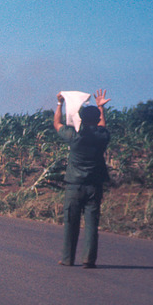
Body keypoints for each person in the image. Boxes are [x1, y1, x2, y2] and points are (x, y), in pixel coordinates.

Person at [53, 89, 111, 268]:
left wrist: (60, 103)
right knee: (92, 224)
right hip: (94, 186)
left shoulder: (74, 136)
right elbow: (102, 126)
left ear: (81, 118)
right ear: (96, 119)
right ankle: (88, 259)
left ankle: (68, 258)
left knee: (71, 223)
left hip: (74, 186)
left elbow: (57, 123)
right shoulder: (103, 137)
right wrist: (101, 107)